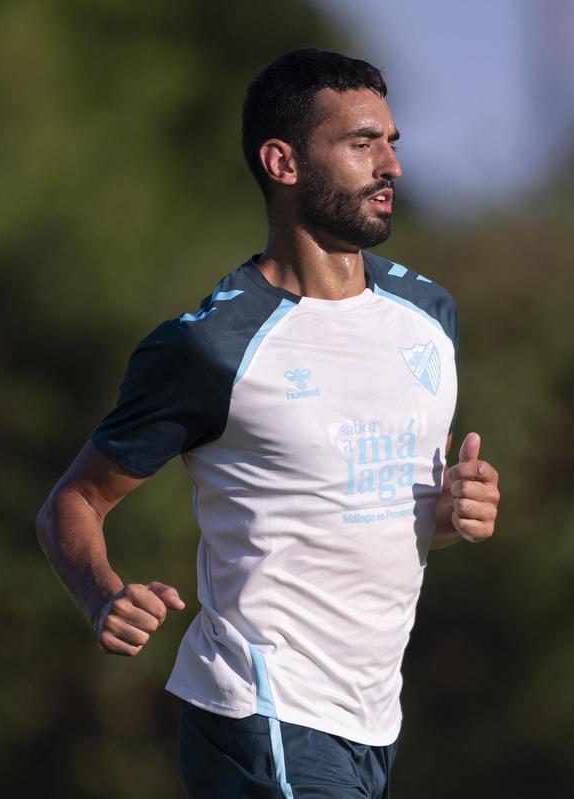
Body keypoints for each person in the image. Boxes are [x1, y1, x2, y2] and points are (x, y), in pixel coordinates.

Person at [36, 48, 501, 798]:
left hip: (373, 723)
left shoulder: (429, 317)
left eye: (392, 142)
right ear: (282, 162)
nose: (391, 167)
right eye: (361, 144)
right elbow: (75, 500)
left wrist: (451, 511)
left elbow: (382, 510)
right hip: (263, 715)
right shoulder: (211, 347)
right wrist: (102, 597)